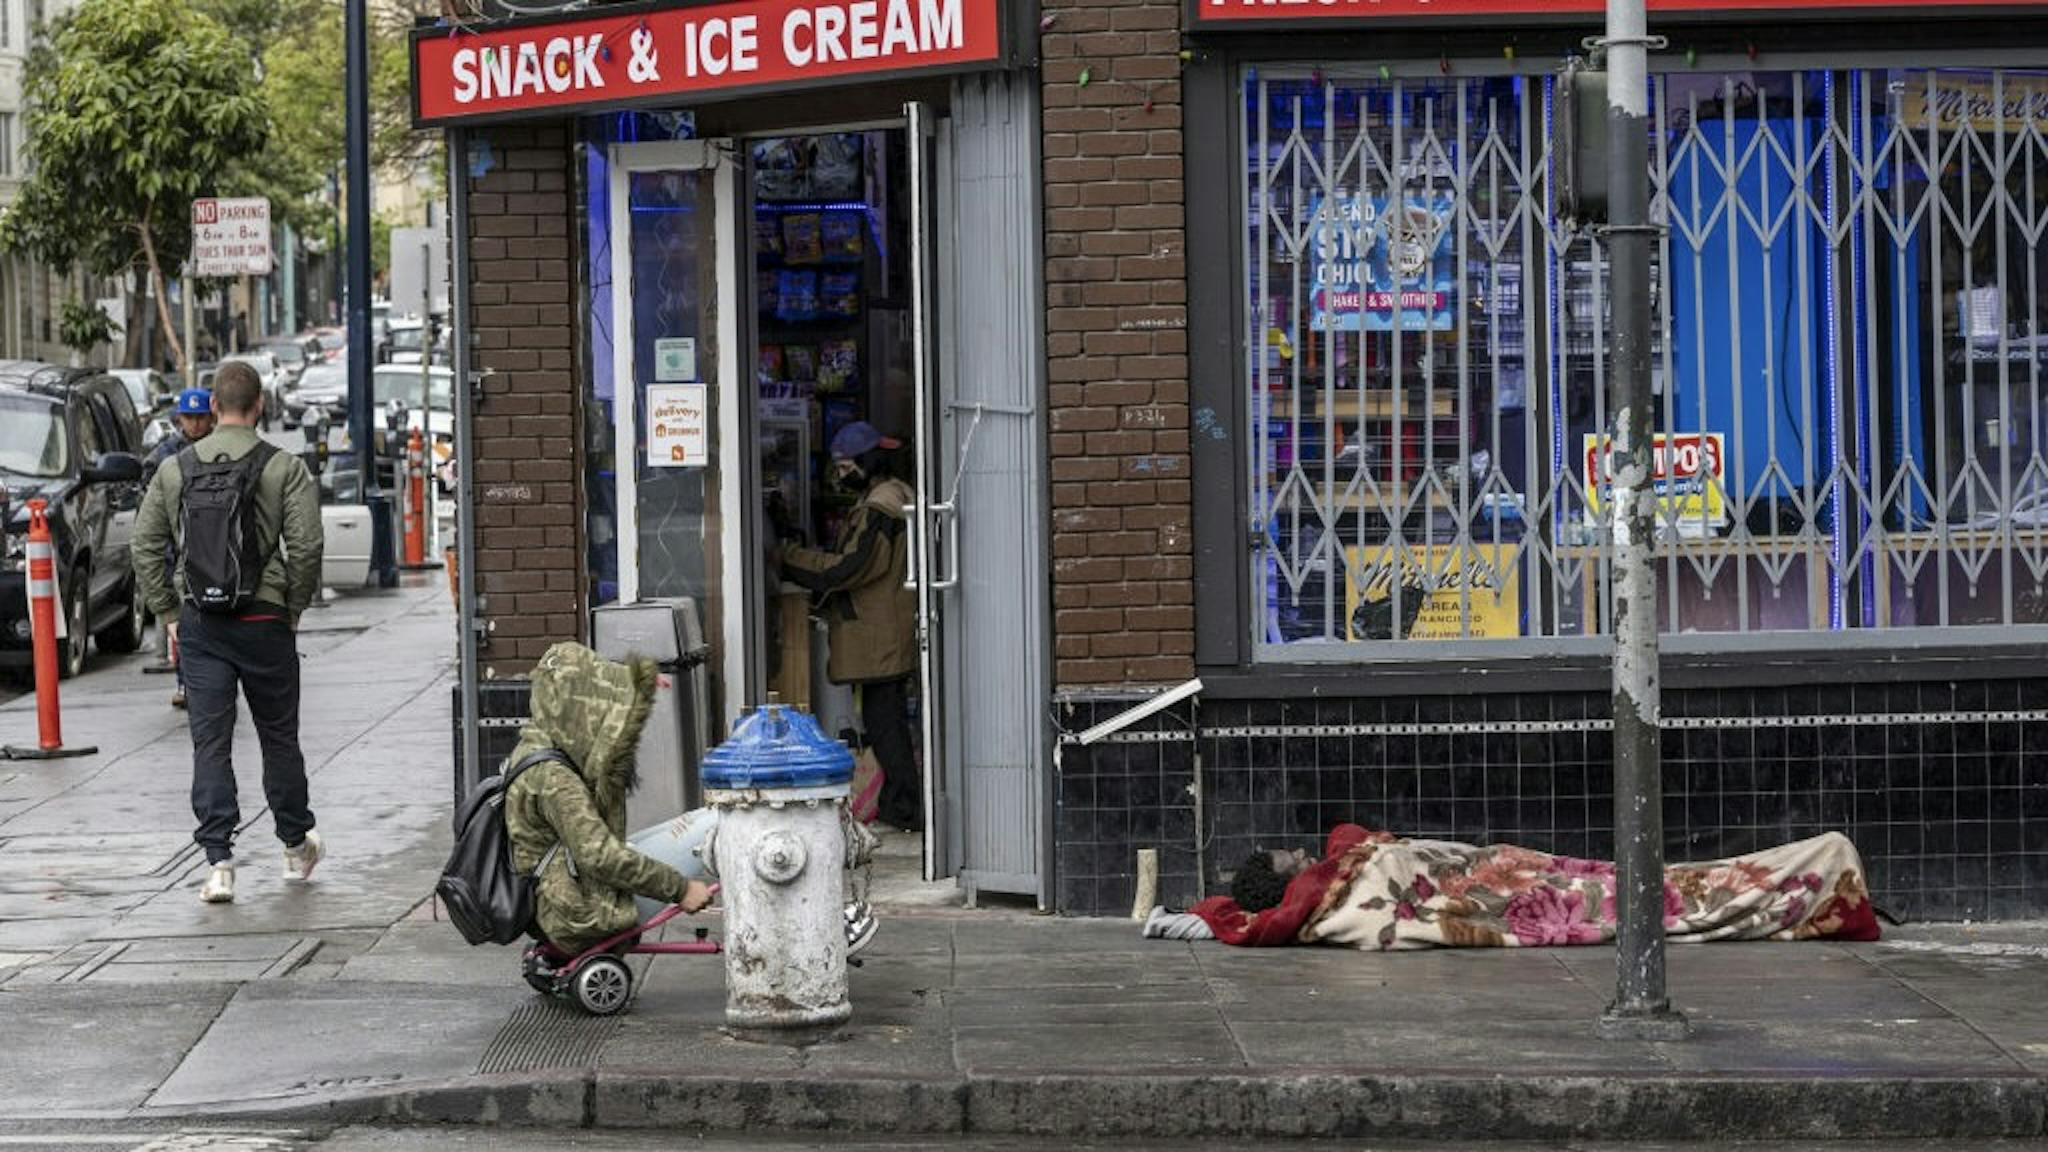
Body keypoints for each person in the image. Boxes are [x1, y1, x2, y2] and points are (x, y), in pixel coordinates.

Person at [503, 642, 880, 958]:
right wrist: (680, 889)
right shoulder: (556, 781)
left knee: (706, 822)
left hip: (564, 890)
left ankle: (809, 921)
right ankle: (811, 935)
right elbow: (600, 857)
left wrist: (639, 684)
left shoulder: (535, 747)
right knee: (725, 824)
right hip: (581, 907)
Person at [133, 362, 325, 905]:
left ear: (213, 408)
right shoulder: (283, 467)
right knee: (278, 737)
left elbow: (144, 546)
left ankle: (218, 862)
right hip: (265, 618)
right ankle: (294, 845)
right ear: (259, 405)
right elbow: (307, 546)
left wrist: (169, 611)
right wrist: (292, 607)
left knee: (210, 743)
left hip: (201, 623)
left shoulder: (176, 470)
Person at [1169, 824, 1881, 950]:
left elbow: (1352, 839)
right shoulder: (1322, 894)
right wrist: (1203, 917)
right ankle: (1814, 880)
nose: (1301, 849)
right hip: (1492, 893)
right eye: (1286, 855)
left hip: (1496, 870)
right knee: (1649, 897)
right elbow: (1259, 922)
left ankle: (1813, 878)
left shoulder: (1342, 861)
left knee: (1628, 885)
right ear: (1286, 880)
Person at [778, 422, 922, 831]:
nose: (841, 477)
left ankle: (905, 808)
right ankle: (900, 805)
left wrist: (790, 559)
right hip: (885, 628)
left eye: (846, 468)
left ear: (866, 461)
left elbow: (849, 567)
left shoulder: (879, 508)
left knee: (885, 724)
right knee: (886, 721)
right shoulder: (895, 495)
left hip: (878, 633)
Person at [143, 388, 218, 710]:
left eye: (201, 417)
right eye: (189, 418)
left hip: (214, 546)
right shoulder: (165, 456)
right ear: (179, 419)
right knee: (185, 621)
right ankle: (186, 683)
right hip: (178, 549)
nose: (196, 424)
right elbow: (148, 500)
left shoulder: (219, 449)